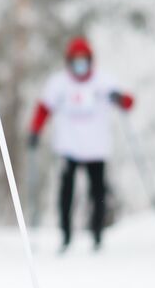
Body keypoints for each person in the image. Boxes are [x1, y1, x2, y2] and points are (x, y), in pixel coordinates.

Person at [28, 36, 134, 251]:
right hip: (69, 148)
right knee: (66, 194)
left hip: (96, 149)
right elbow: (43, 108)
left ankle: (97, 235)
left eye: (83, 59)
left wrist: (119, 98)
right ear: (69, 61)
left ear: (89, 60)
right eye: (75, 59)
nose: (80, 64)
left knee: (97, 194)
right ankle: (66, 236)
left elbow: (128, 102)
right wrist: (35, 130)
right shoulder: (59, 83)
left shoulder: (104, 82)